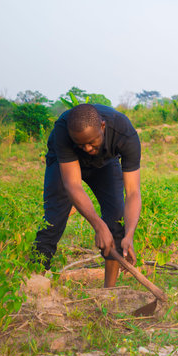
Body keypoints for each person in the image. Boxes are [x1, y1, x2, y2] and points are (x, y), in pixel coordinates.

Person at [34, 103, 141, 288]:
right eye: (81, 144)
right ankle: (33, 281)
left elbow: (132, 192)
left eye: (92, 142)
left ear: (103, 126)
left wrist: (129, 234)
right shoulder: (62, 131)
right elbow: (73, 185)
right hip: (65, 164)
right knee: (54, 219)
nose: (87, 148)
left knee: (116, 219)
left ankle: (109, 291)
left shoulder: (124, 133)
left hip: (105, 164)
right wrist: (98, 225)